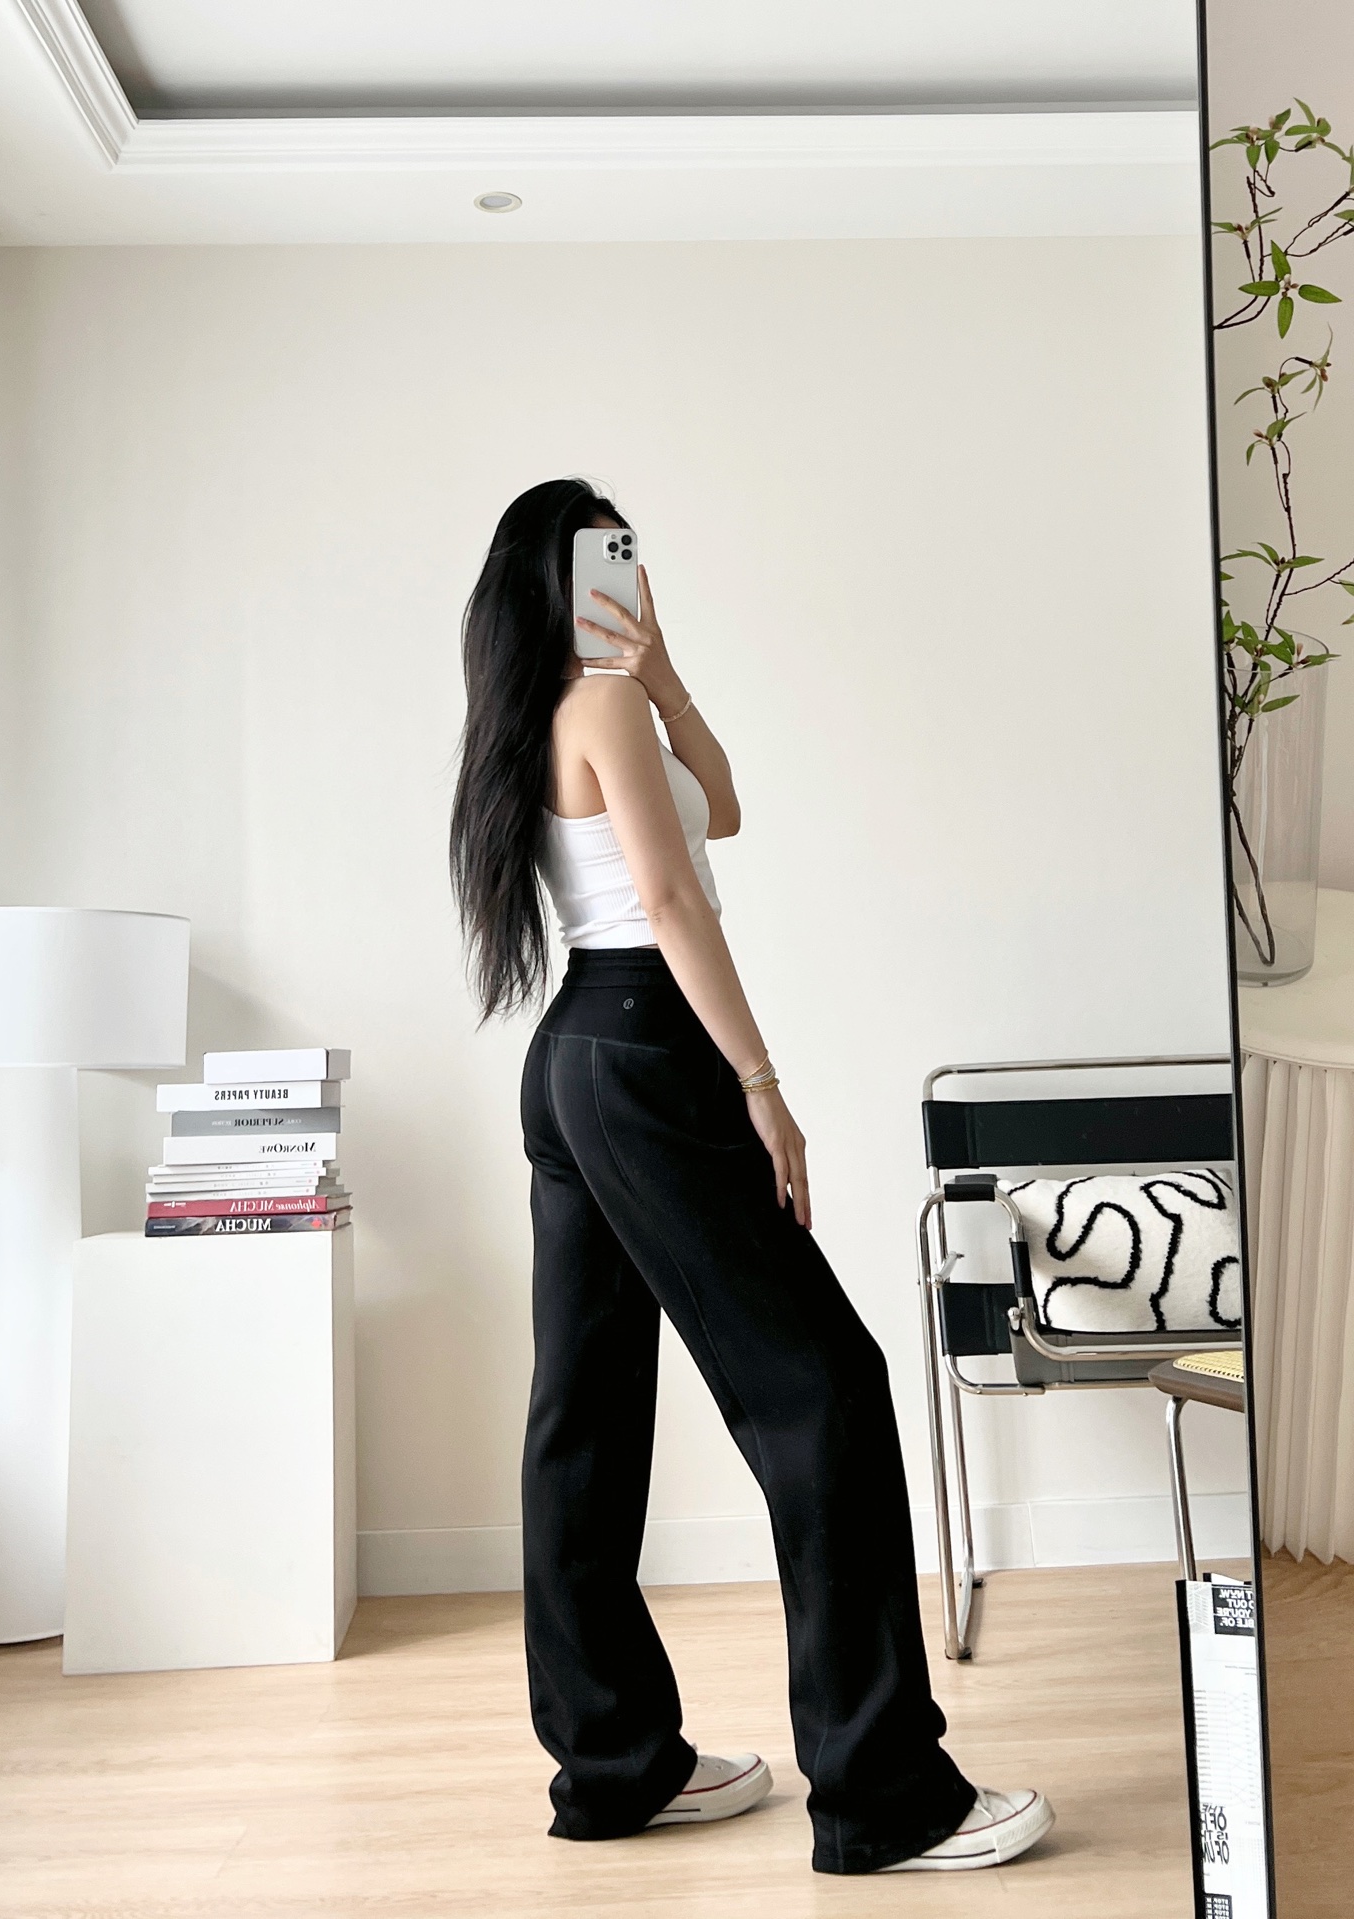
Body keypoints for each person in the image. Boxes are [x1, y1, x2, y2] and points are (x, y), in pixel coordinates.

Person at [449, 477, 1054, 1875]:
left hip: (576, 1058)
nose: (629, 575)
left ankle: (614, 1764)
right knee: (824, 1387)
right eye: (604, 558)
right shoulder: (597, 709)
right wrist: (761, 1085)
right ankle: (885, 1792)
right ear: (555, 581)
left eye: (634, 555)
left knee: (584, 1414)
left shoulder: (556, 707)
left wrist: (664, 673)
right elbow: (669, 904)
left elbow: (721, 809)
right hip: (648, 1050)